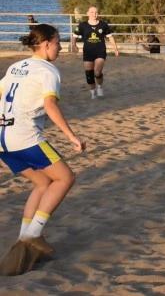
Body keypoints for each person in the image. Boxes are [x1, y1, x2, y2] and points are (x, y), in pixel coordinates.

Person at [0, 24, 86, 267]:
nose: (60, 46)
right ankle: (33, 234)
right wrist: (72, 136)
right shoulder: (49, 71)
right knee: (65, 178)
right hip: (24, 136)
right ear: (47, 43)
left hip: (2, 139)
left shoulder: (15, 66)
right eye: (58, 42)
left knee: (42, 182)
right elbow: (50, 105)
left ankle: (23, 237)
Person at [70, 6, 119, 99]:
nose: (94, 14)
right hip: (88, 52)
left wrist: (115, 48)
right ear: (87, 13)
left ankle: (100, 86)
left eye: (96, 12)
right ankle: (93, 92)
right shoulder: (82, 25)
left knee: (97, 72)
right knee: (89, 74)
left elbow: (110, 37)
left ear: (98, 14)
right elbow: (74, 36)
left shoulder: (103, 25)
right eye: (92, 12)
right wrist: (74, 45)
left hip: (100, 51)